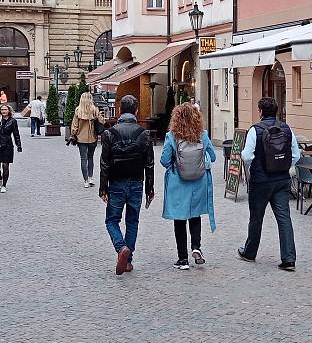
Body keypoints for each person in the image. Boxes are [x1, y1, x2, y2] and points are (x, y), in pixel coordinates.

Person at [238, 96, 301, 271]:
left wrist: (254, 170)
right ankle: (289, 258)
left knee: (256, 217)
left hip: (261, 181)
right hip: (281, 180)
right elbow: (296, 155)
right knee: (284, 218)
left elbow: (246, 156)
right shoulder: (287, 129)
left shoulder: (255, 130)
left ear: (260, 112)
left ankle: (250, 252)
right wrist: (284, 167)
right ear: (277, 111)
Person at [99, 95, 154, 275]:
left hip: (116, 182)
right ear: (136, 110)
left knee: (111, 220)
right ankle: (128, 260)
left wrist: (102, 188)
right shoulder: (144, 134)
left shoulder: (109, 133)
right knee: (132, 221)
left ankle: (121, 247)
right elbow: (149, 164)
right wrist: (150, 189)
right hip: (137, 182)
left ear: (120, 110)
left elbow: (104, 163)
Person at [160, 103, 217, 270]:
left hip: (178, 182)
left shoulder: (172, 136)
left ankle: (183, 259)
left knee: (179, 220)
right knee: (195, 215)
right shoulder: (203, 135)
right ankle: (196, 247)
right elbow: (212, 157)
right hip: (199, 182)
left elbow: (164, 160)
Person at [70, 92, 106, 188]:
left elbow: (74, 126)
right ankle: (90, 177)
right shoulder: (94, 109)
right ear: (91, 99)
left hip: (81, 138)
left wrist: (73, 134)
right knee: (91, 157)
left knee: (83, 158)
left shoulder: (78, 110)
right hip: (92, 137)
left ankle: (85, 180)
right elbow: (102, 121)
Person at [0, 104, 22, 193]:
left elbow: (16, 134)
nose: (3, 111)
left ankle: (4, 185)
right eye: (2, 110)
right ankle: (0, 177)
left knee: (5, 166)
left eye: (5, 109)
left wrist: (19, 145)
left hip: (7, 145)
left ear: (9, 111)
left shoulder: (13, 121)